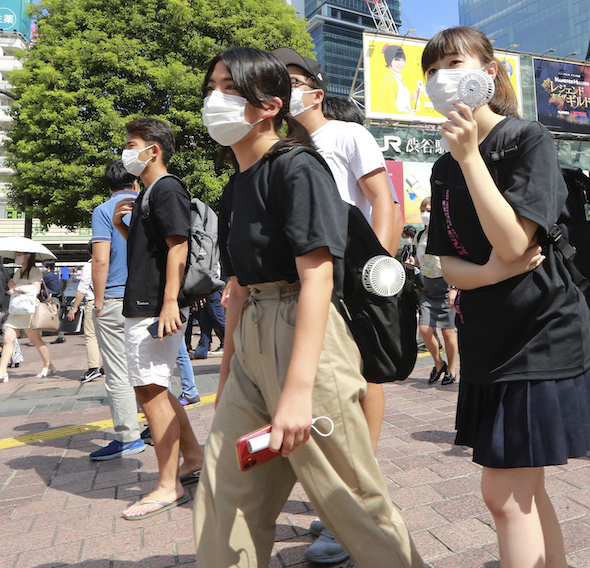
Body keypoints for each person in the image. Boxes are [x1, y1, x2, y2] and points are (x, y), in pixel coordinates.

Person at [192, 47, 424, 568]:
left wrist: (296, 393)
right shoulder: (235, 187)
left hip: (306, 333)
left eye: (230, 88)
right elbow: (238, 285)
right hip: (253, 333)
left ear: (271, 104)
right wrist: (229, 369)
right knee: (226, 489)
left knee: (351, 500)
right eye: (211, 88)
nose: (215, 98)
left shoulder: (296, 167)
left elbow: (317, 274)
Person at [422, 26, 590, 568]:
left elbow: (515, 240)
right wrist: (495, 272)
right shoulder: (441, 164)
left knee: (503, 495)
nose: (441, 78)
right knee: (525, 488)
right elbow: (441, 260)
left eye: (454, 63)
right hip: (487, 335)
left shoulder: (526, 139)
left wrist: (472, 158)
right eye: (432, 70)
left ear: (490, 71)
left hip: (541, 333)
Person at [274, 47, 399, 563]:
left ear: (315, 90)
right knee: (318, 395)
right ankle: (339, 501)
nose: (283, 88)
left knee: (358, 384)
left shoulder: (346, 134)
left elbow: (384, 200)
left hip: (350, 277)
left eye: (293, 80)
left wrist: (378, 274)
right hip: (296, 282)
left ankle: (352, 506)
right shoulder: (278, 148)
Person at [112, 118, 204, 520]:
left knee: (149, 392)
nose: (126, 152)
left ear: (154, 149)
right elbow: (152, 251)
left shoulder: (166, 188)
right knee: (156, 389)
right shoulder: (150, 192)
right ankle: (194, 458)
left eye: (132, 144)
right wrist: (121, 225)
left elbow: (178, 246)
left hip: (153, 306)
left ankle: (168, 486)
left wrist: (169, 303)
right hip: (147, 301)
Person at [88, 159, 146, 461]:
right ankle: (154, 423)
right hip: (150, 299)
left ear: (109, 186)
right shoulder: (151, 203)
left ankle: (128, 436)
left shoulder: (104, 211)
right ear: (135, 182)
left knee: (118, 371)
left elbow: (100, 260)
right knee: (147, 367)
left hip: (114, 297)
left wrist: (97, 303)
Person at [0, 253, 54, 383]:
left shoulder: (34, 271)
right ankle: (2, 372)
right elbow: (13, 290)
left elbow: (36, 290)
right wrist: (9, 287)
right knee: (8, 338)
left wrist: (19, 287)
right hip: (16, 309)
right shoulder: (18, 272)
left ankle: (48, 365)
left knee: (36, 340)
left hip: (29, 310)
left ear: (28, 255)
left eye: (20, 254)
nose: (17, 256)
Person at [415, 196, 458, 385]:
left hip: (446, 285)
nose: (426, 213)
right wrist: (413, 265)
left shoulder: (445, 232)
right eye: (424, 209)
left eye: (430, 210)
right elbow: (421, 259)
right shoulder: (419, 235)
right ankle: (438, 363)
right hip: (427, 287)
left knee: (448, 332)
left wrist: (454, 287)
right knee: (424, 329)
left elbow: (456, 260)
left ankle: (452, 369)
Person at [67, 252, 103, 383]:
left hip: (93, 302)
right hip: (112, 300)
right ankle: (106, 367)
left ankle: (93, 367)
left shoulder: (90, 265)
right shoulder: (113, 261)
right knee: (108, 334)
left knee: (91, 335)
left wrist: (74, 307)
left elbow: (83, 287)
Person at [191, 288, 226, 360]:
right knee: (205, 323)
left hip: (212, 292)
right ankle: (201, 351)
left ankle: (240, 342)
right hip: (204, 294)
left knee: (219, 322)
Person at [42, 261, 66, 345]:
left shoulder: (47, 276)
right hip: (56, 299)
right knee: (57, 317)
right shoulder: (55, 275)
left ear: (47, 267)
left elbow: (42, 286)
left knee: (40, 317)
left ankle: (37, 338)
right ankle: (60, 336)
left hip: (50, 299)